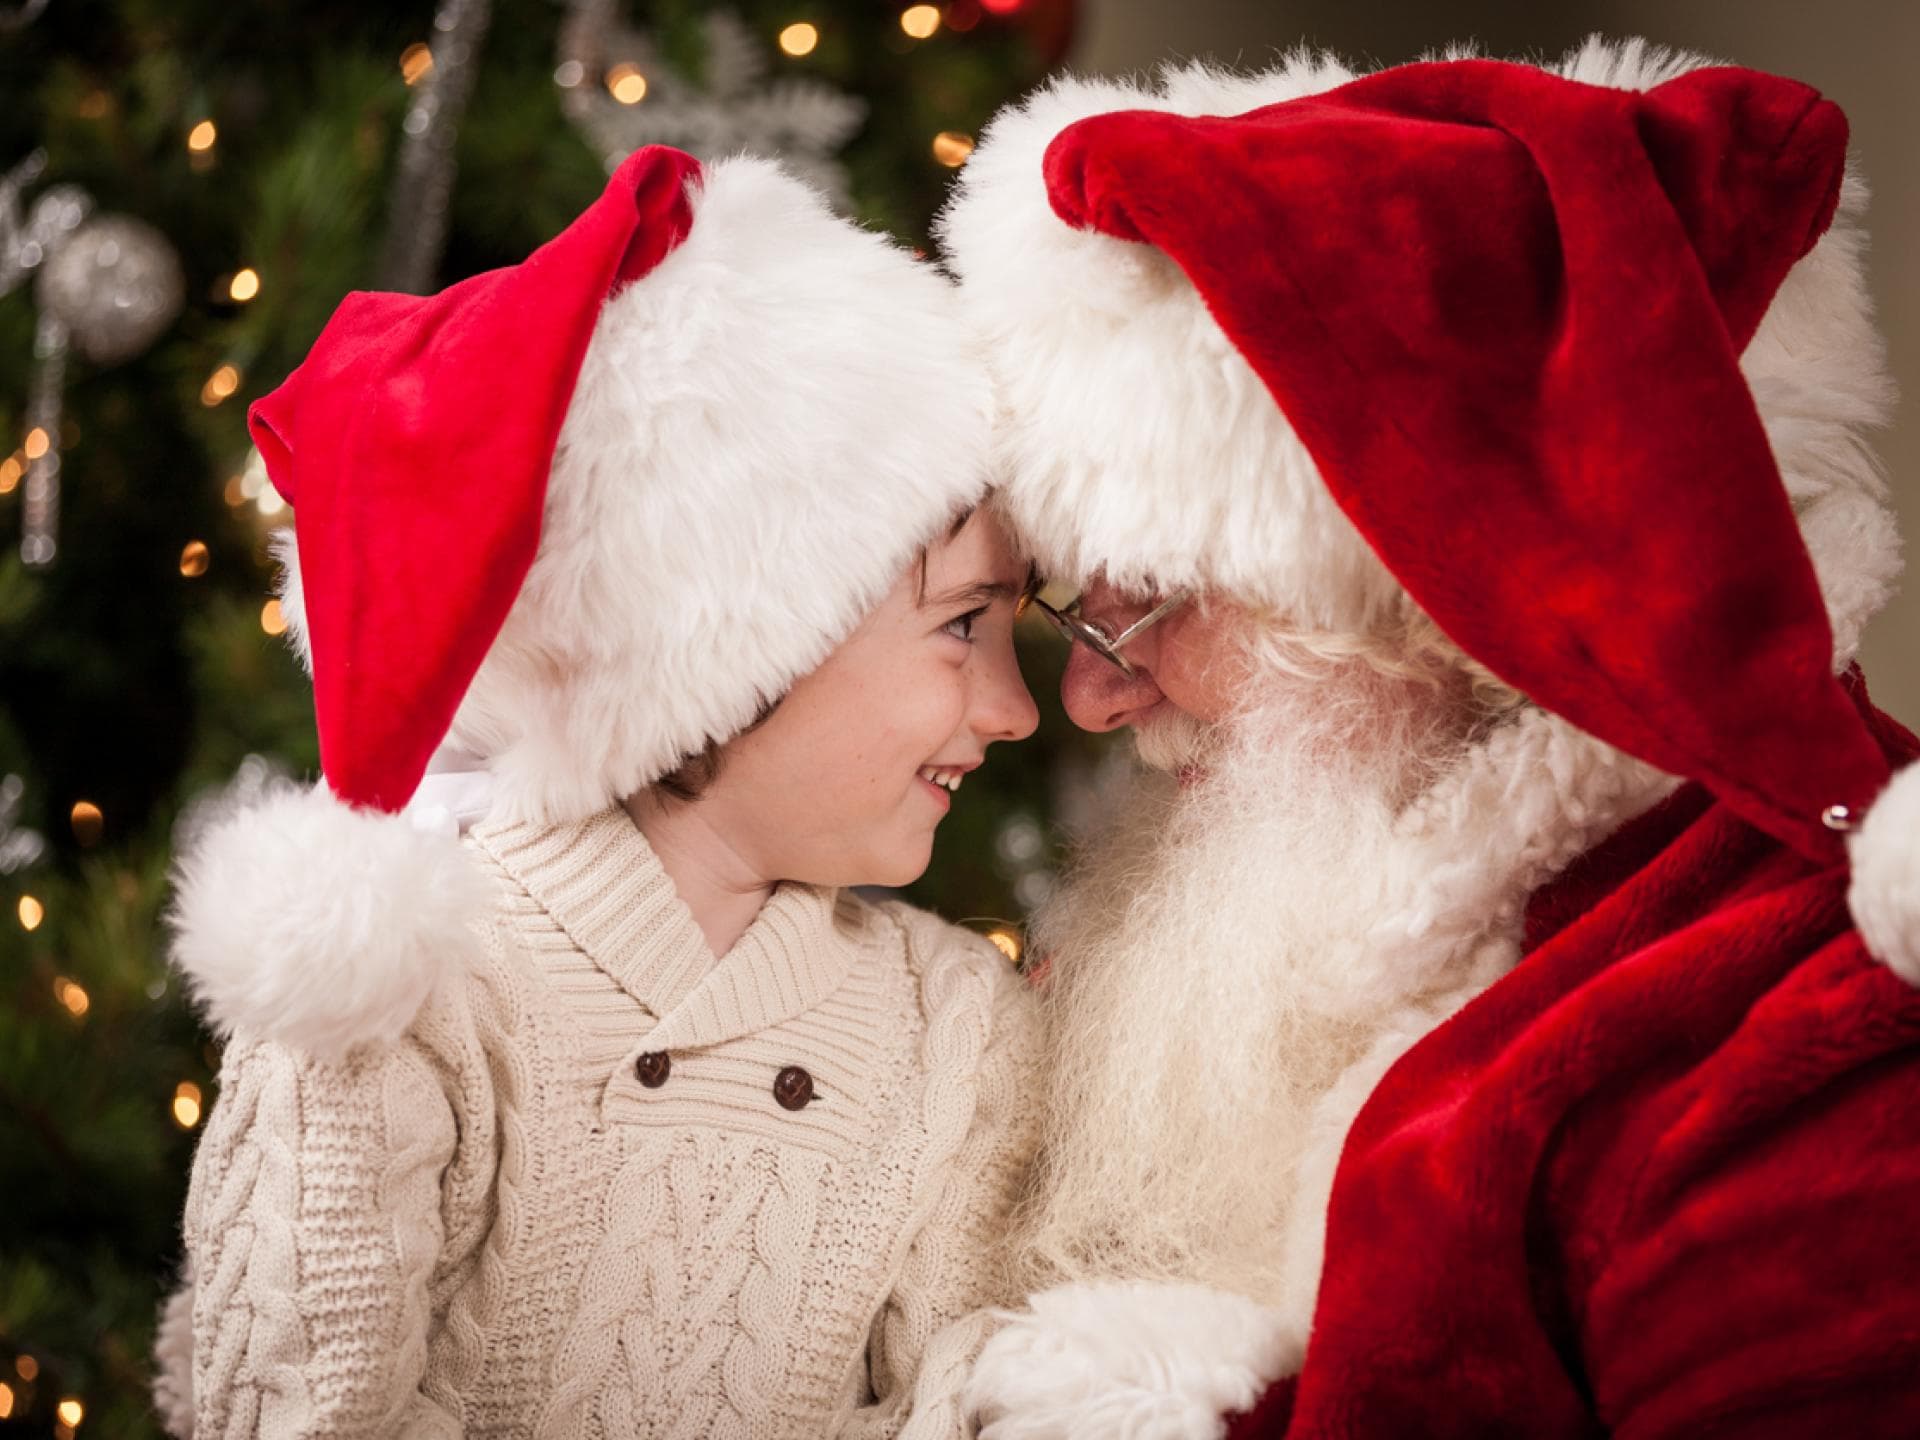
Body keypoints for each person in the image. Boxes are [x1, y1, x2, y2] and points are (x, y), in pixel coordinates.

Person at [938, 37, 1920, 1437]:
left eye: (1151, 601)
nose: (1094, 697)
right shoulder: (1274, 960)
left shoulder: (1820, 1037)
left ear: (1441, 596)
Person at [150, 145, 1043, 1439]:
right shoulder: (409, 1000)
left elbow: (956, 1402)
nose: (1016, 707)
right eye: (966, 624)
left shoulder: (955, 1027)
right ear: (737, 642)